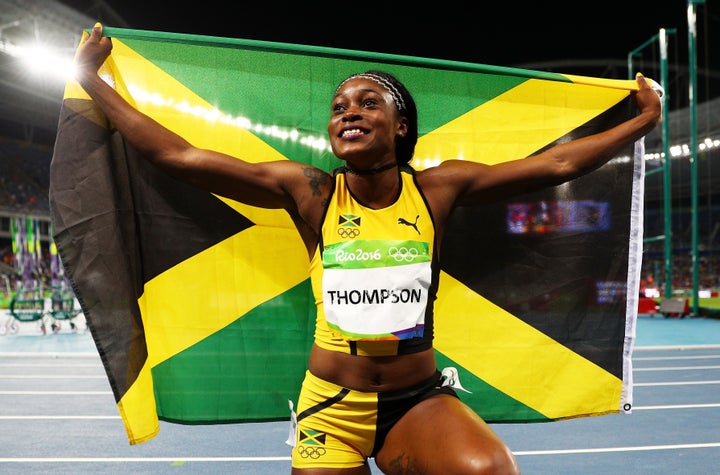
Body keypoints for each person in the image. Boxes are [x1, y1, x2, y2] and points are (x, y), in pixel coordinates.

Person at [73, 23, 661, 475]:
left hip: (418, 398)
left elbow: (555, 163)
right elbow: (179, 158)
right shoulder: (309, 191)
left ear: (401, 126)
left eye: (367, 102)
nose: (348, 111)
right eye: (339, 107)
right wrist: (92, 82)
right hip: (332, 404)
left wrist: (639, 123)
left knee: (490, 469)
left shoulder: (437, 188)